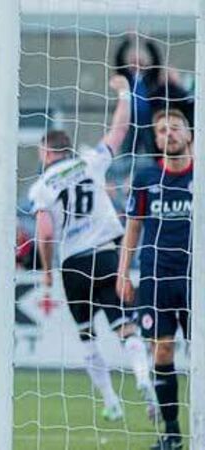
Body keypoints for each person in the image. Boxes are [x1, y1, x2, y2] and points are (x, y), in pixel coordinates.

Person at [29, 75, 155, 423]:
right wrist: (124, 93)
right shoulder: (89, 161)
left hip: (73, 265)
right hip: (106, 254)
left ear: (46, 152)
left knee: (86, 336)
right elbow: (119, 131)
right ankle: (143, 378)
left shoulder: (42, 185)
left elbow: (44, 231)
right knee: (124, 326)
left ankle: (111, 401)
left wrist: (47, 271)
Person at [117, 109, 193, 450]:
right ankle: (172, 434)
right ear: (157, 139)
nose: (169, 134)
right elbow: (133, 227)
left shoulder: (199, 176)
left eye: (175, 128)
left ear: (189, 135)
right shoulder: (146, 177)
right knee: (162, 350)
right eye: (162, 130)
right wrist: (123, 272)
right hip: (156, 276)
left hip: (194, 278)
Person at [114, 33, 162, 155]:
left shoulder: (150, 78)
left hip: (148, 122)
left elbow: (157, 61)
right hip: (130, 122)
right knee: (127, 153)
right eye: (134, 60)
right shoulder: (127, 77)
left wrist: (149, 43)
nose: (136, 63)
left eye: (139, 60)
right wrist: (127, 41)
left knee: (151, 152)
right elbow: (119, 60)